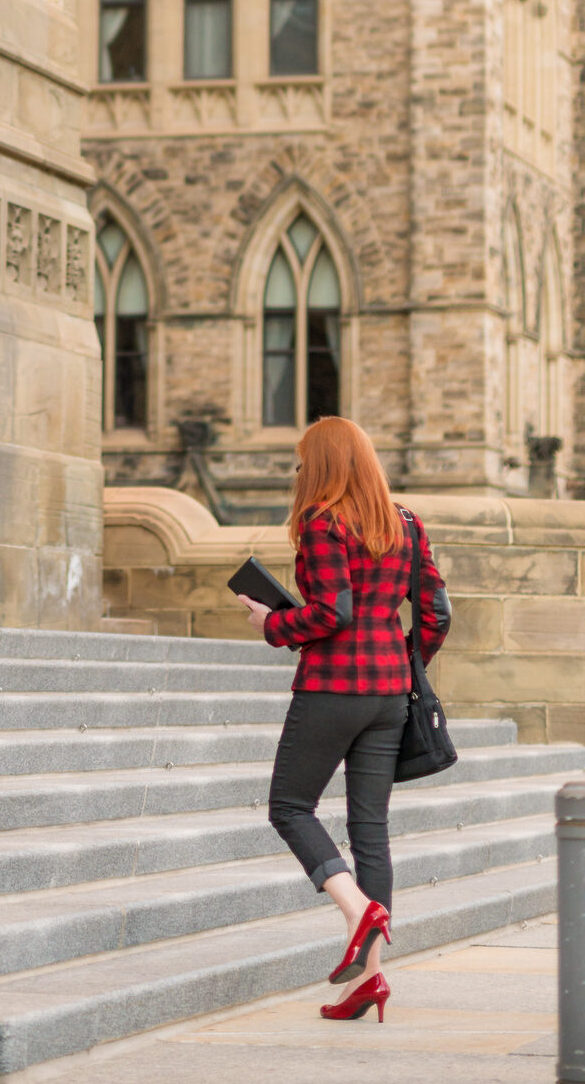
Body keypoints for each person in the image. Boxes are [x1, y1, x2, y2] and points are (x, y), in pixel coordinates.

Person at [237, 416, 451, 1025]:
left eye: (305, 461)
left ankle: (358, 914)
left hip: (333, 688)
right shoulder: (405, 522)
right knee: (370, 830)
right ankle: (370, 979)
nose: (300, 472)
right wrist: (404, 664)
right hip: (390, 694)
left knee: (289, 807)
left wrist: (273, 625)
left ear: (324, 463)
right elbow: (436, 614)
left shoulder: (323, 521)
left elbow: (332, 611)